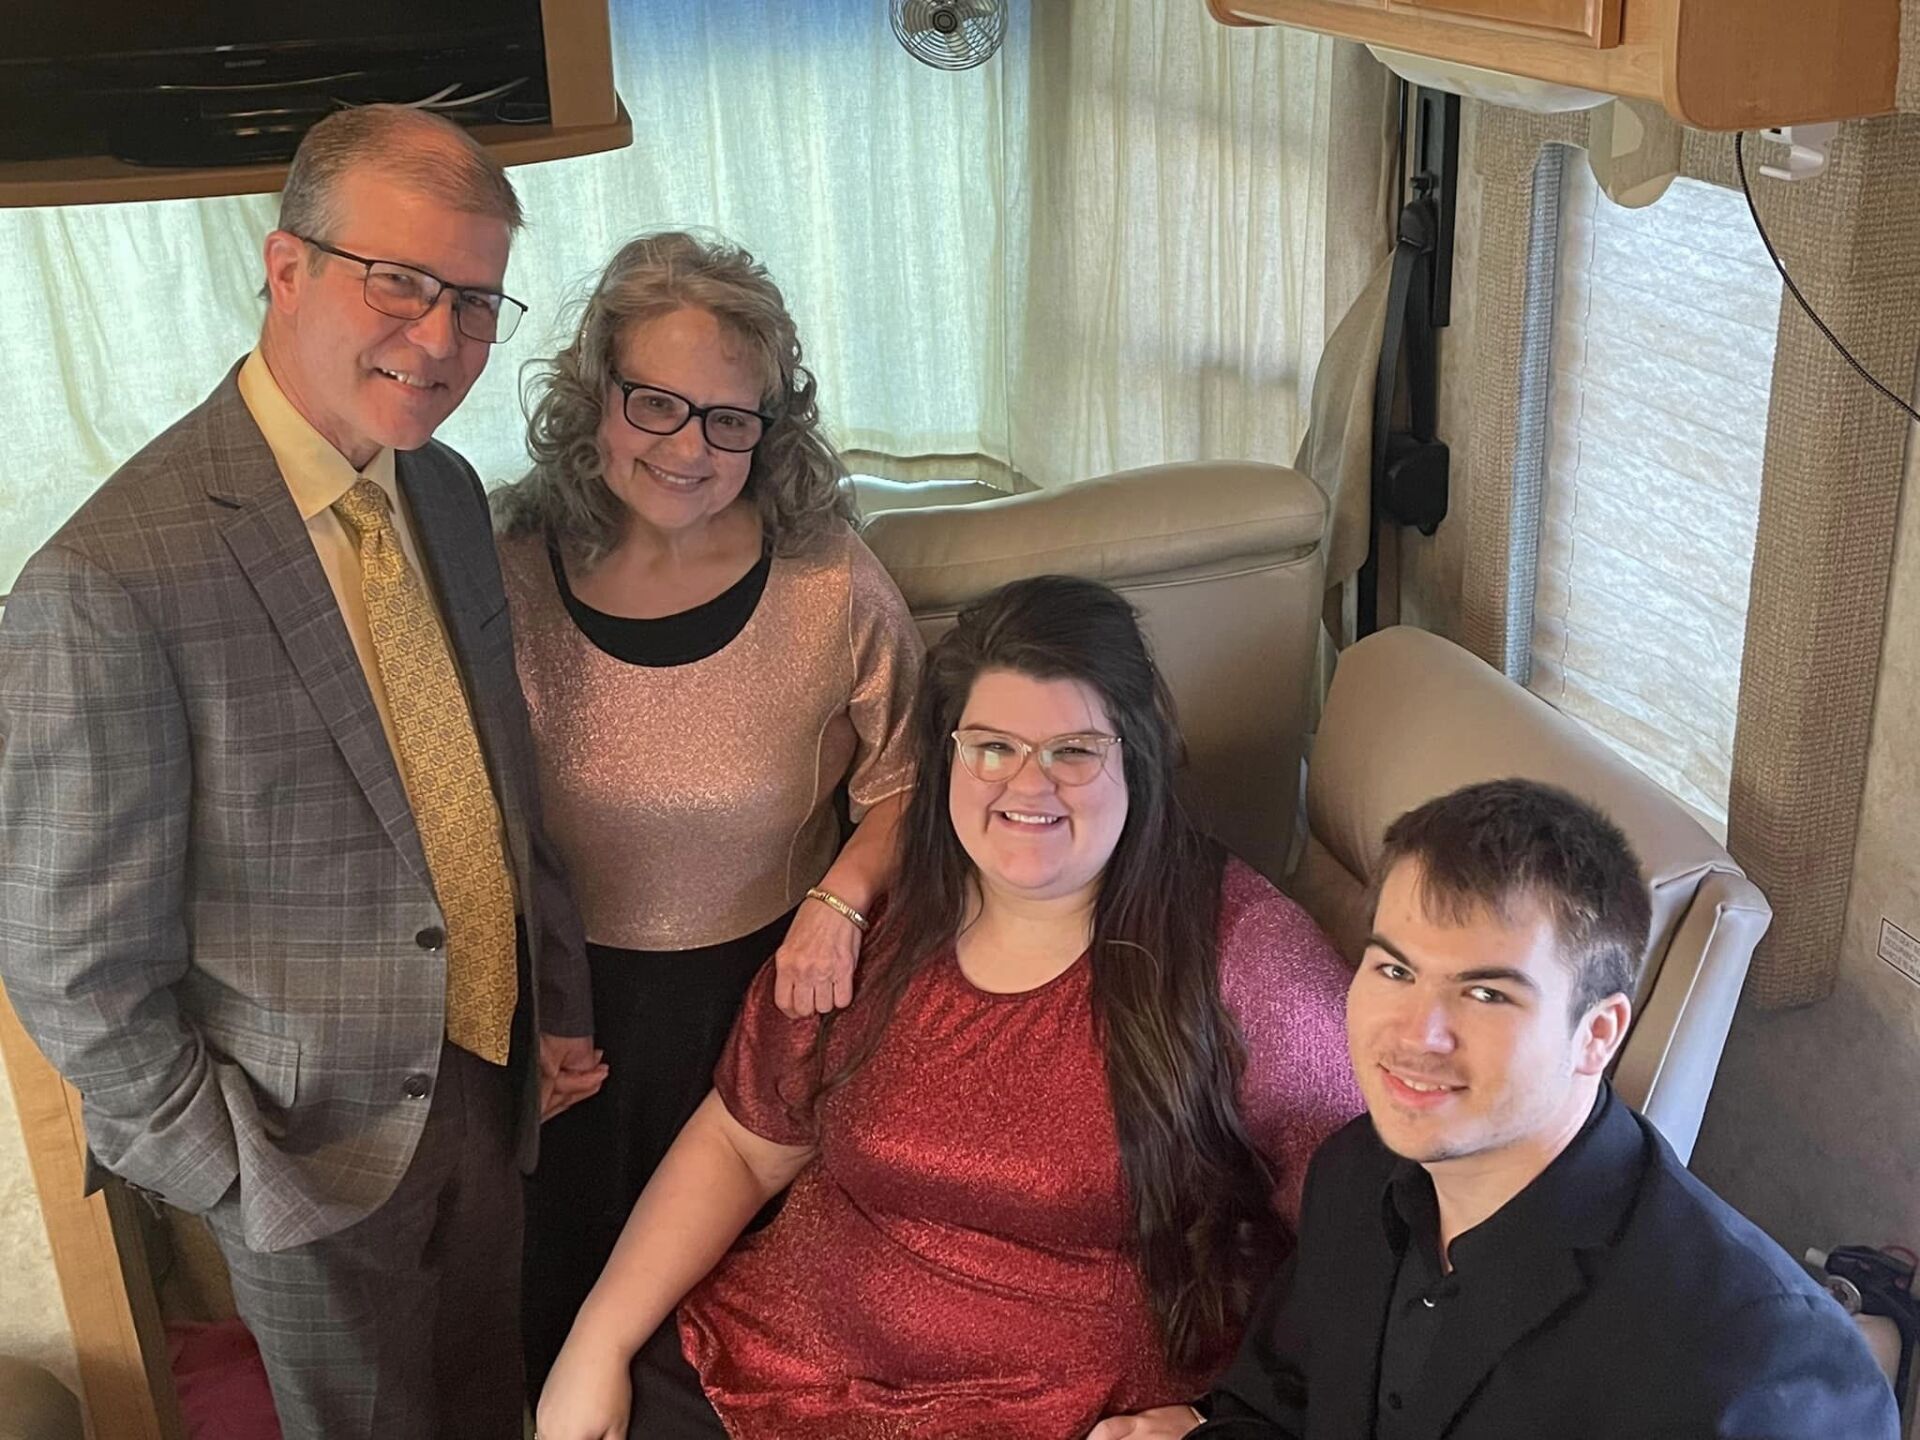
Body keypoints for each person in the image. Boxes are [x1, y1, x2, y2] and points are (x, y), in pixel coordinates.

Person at [0, 105, 601, 1440]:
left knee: (488, 1398)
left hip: (489, 1085)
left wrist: (548, 998)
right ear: (287, 269)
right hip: (299, 1149)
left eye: (474, 300)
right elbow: (69, 967)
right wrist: (230, 1176)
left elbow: (498, 780)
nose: (440, 338)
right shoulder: (107, 584)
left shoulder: (441, 490)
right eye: (399, 282)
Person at [533, 573, 1364, 1440]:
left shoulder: (1244, 951)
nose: (1028, 786)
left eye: (1074, 751)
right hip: (772, 1373)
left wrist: (1225, 1420)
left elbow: (1373, 1221)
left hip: (1072, 1416)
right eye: (992, 747)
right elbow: (745, 1146)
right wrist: (596, 1343)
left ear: (1138, 756)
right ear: (947, 756)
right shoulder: (873, 917)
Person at [1093, 778, 1901, 1440]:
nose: (1416, 1034)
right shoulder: (1354, 1174)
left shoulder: (1753, 1360)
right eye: (1396, 971)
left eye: (1484, 992)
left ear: (1598, 1033)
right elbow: (1278, 1406)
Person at [490, 229, 923, 1391]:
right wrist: (507, 1015)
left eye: (732, 420)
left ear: (771, 431)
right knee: (562, 1342)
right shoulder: (501, 571)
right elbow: (451, 816)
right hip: (565, 1033)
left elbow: (910, 785)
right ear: (593, 396)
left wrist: (839, 898)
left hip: (768, 1016)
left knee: (739, 1361)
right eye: (657, 405)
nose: (691, 448)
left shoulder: (832, 579)